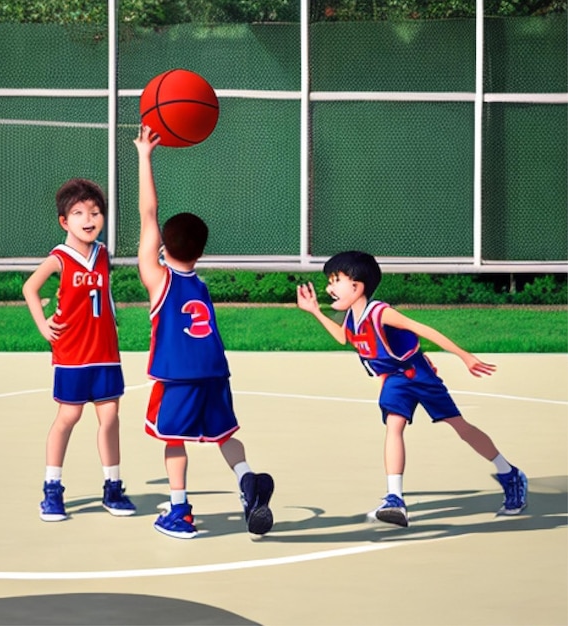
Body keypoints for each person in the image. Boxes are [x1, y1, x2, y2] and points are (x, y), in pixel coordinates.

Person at [296, 250, 527, 527]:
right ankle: (394, 498)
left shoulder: (381, 313)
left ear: (356, 286)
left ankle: (509, 472)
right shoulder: (352, 319)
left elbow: (424, 329)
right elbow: (343, 338)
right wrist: (315, 311)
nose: (329, 288)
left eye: (335, 281)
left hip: (419, 375)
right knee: (394, 426)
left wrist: (464, 356)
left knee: (460, 427)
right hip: (395, 379)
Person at [133, 125, 274, 539]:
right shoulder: (200, 282)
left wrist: (145, 156)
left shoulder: (160, 279)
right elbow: (156, 226)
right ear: (201, 251)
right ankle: (247, 480)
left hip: (178, 375)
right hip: (215, 372)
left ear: (162, 247)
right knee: (224, 435)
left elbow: (147, 215)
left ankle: (179, 512)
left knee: (172, 441)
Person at [22, 178, 136, 522]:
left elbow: (102, 296)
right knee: (68, 417)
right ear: (64, 221)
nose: (89, 219)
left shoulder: (103, 254)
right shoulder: (59, 258)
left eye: (96, 212)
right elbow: (30, 288)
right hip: (72, 353)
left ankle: (112, 486)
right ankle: (52, 488)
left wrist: (112, 320)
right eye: (79, 213)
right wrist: (43, 326)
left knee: (110, 417)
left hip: (105, 353)